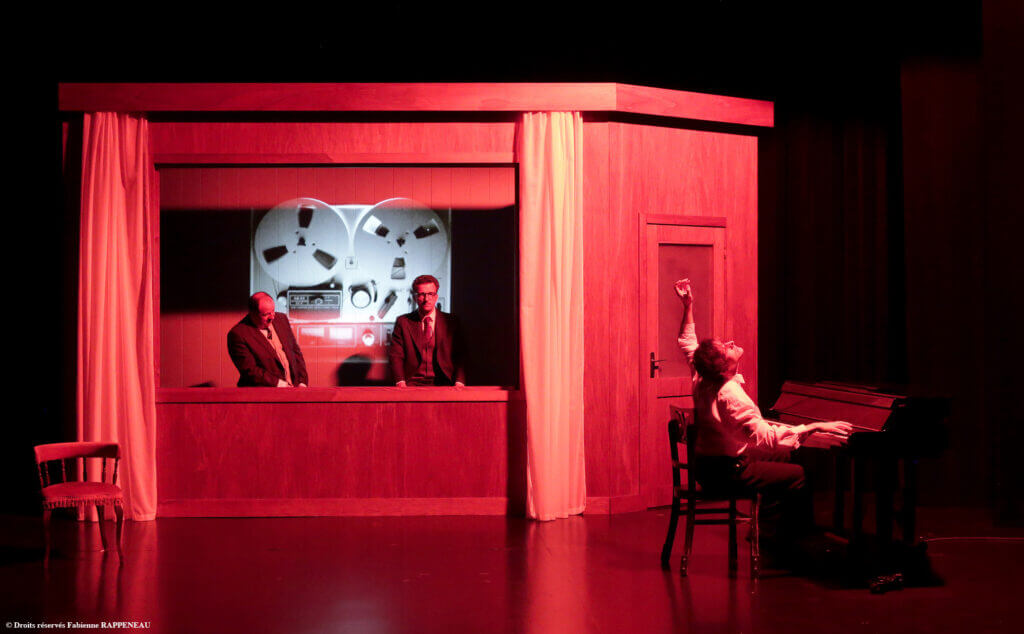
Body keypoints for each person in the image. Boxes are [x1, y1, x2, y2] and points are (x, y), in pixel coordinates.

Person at [673, 278, 851, 549]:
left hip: (706, 467)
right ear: (723, 367)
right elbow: (766, 438)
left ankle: (768, 527)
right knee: (798, 475)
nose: (731, 343)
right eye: (726, 348)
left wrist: (688, 306)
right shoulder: (730, 395)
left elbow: (688, 344)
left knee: (784, 456)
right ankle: (785, 541)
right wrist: (814, 427)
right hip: (725, 472)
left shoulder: (702, 377)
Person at [388, 274, 466, 387]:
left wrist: (459, 382)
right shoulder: (403, 322)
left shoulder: (452, 322)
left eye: (430, 294)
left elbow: (461, 355)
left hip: (444, 382)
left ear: (436, 297)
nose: (426, 299)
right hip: (411, 383)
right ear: (415, 297)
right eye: (422, 294)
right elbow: (396, 355)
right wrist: (400, 382)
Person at [227, 292, 308, 387]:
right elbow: (250, 370)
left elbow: (295, 351)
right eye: (266, 314)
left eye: (273, 311)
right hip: (262, 393)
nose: (272, 317)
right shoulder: (238, 334)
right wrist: (280, 384)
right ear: (252, 313)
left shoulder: (281, 319)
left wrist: (302, 381)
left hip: (293, 389)